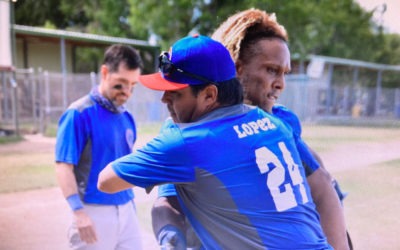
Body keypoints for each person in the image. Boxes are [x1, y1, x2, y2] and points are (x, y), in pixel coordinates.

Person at [97, 34, 333, 249]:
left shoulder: (190, 141)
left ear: (210, 95)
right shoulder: (274, 123)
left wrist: (171, 137)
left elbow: (106, 181)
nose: (164, 99)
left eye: (175, 93)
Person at [152, 8, 351, 250]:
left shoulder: (278, 123)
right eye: (271, 70)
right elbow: (168, 198)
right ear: (236, 68)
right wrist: (171, 238)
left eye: (284, 73)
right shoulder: (185, 127)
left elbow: (324, 189)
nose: (280, 84)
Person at [55, 44, 143, 250]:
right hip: (93, 211)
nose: (127, 92)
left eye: (133, 85)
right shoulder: (78, 113)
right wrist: (78, 212)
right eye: (120, 84)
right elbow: (63, 166)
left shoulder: (127, 117)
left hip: (127, 209)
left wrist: (129, 206)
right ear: (105, 73)